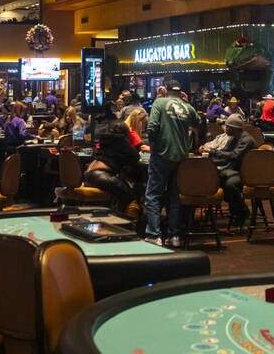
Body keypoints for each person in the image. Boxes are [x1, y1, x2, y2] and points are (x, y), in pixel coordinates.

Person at [143, 83, 197, 246]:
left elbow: (152, 127)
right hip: (181, 157)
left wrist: (153, 149)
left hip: (162, 154)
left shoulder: (159, 103)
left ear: (166, 91)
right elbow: (199, 122)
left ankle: (154, 235)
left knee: (153, 195)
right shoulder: (187, 107)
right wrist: (187, 103)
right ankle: (174, 237)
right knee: (175, 197)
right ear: (180, 92)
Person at [208, 114, 257, 227]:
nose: (226, 128)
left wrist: (213, 152)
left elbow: (234, 156)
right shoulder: (232, 139)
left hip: (247, 173)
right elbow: (224, 156)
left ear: (234, 128)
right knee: (217, 179)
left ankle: (242, 211)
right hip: (234, 171)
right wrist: (207, 161)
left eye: (228, 126)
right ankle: (237, 210)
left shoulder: (247, 140)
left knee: (229, 185)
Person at [83, 121, 140, 214]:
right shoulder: (121, 140)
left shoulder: (105, 139)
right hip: (101, 176)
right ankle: (130, 225)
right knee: (130, 197)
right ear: (126, 133)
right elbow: (135, 157)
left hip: (88, 175)